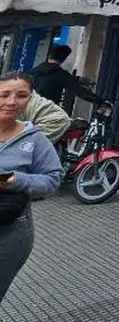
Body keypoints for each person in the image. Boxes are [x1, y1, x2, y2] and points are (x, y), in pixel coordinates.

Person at [0, 72, 63, 303]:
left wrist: (16, 180)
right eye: (4, 95)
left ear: (30, 99)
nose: (12, 102)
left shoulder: (36, 140)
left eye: (21, 95)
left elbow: (53, 180)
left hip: (10, 231)